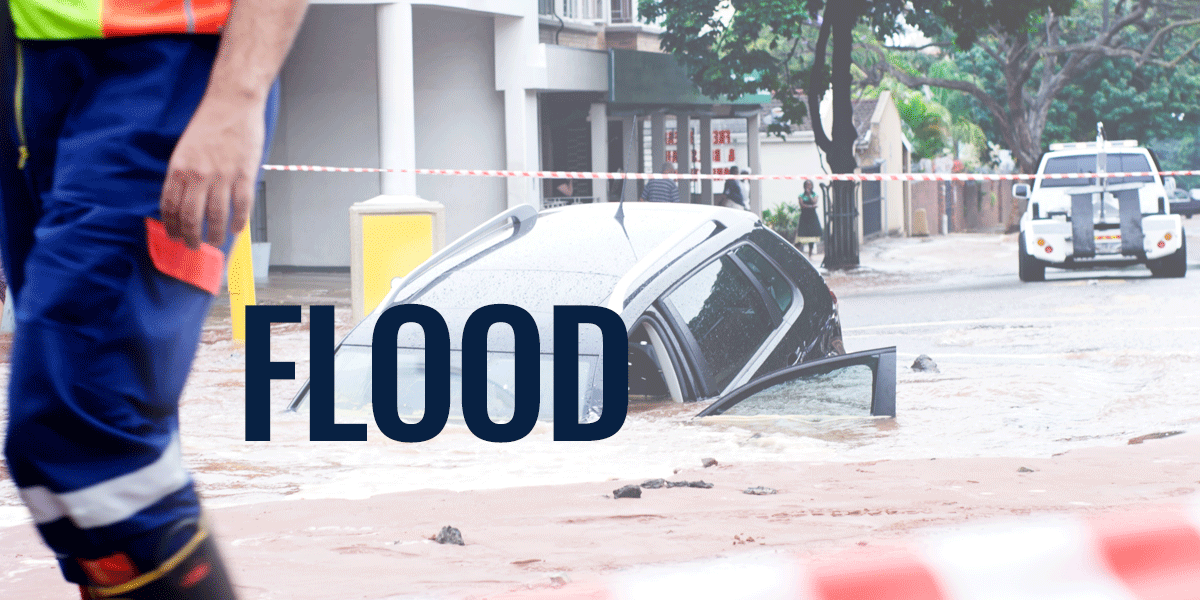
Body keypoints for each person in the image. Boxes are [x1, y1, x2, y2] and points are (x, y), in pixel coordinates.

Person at [0, 1, 309, 598]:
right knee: (63, 480)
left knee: (85, 428)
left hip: (168, 64)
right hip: (26, 72)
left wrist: (237, 96)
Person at [795, 179, 822, 257]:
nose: (808, 186)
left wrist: (809, 195)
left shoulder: (814, 195)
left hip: (812, 217)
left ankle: (810, 255)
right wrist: (811, 207)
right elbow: (802, 205)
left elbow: (814, 202)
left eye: (809, 185)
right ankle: (797, 253)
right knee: (801, 236)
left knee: (811, 236)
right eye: (807, 185)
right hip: (804, 217)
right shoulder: (801, 195)